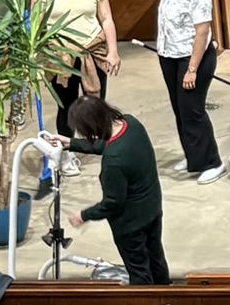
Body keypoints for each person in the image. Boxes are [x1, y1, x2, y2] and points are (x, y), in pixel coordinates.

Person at [30, 0, 119, 176]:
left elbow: (106, 19)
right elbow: (35, 26)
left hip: (91, 50)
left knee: (96, 103)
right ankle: (66, 154)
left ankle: (103, 147)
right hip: (60, 56)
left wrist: (112, 51)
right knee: (66, 107)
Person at [58, 95, 167, 285]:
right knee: (156, 258)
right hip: (153, 209)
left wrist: (83, 215)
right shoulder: (132, 124)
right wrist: (71, 143)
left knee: (139, 271)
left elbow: (113, 203)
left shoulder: (113, 162)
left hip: (131, 225)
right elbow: (111, 145)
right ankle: (168, 298)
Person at [152, 0, 226, 185]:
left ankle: (213, 162)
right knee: (179, 109)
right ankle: (194, 157)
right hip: (169, 56)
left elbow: (202, 33)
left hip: (193, 58)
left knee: (192, 110)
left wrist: (192, 69)